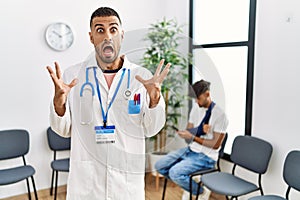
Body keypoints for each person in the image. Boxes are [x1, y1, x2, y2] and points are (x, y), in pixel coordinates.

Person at [46, 7, 171, 200]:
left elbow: (151, 129)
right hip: (87, 182)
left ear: (122, 34)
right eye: (100, 30)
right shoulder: (73, 76)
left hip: (126, 183)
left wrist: (154, 100)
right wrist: (59, 104)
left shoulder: (142, 78)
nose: (107, 37)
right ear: (91, 37)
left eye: (113, 29)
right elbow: (63, 130)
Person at [155, 79, 228, 200]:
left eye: (198, 98)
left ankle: (199, 191)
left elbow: (215, 145)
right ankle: (193, 187)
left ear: (207, 94)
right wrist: (194, 132)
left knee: (175, 173)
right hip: (190, 150)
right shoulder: (196, 108)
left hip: (206, 157)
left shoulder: (220, 116)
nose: (196, 101)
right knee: (160, 165)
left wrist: (193, 136)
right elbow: (190, 134)